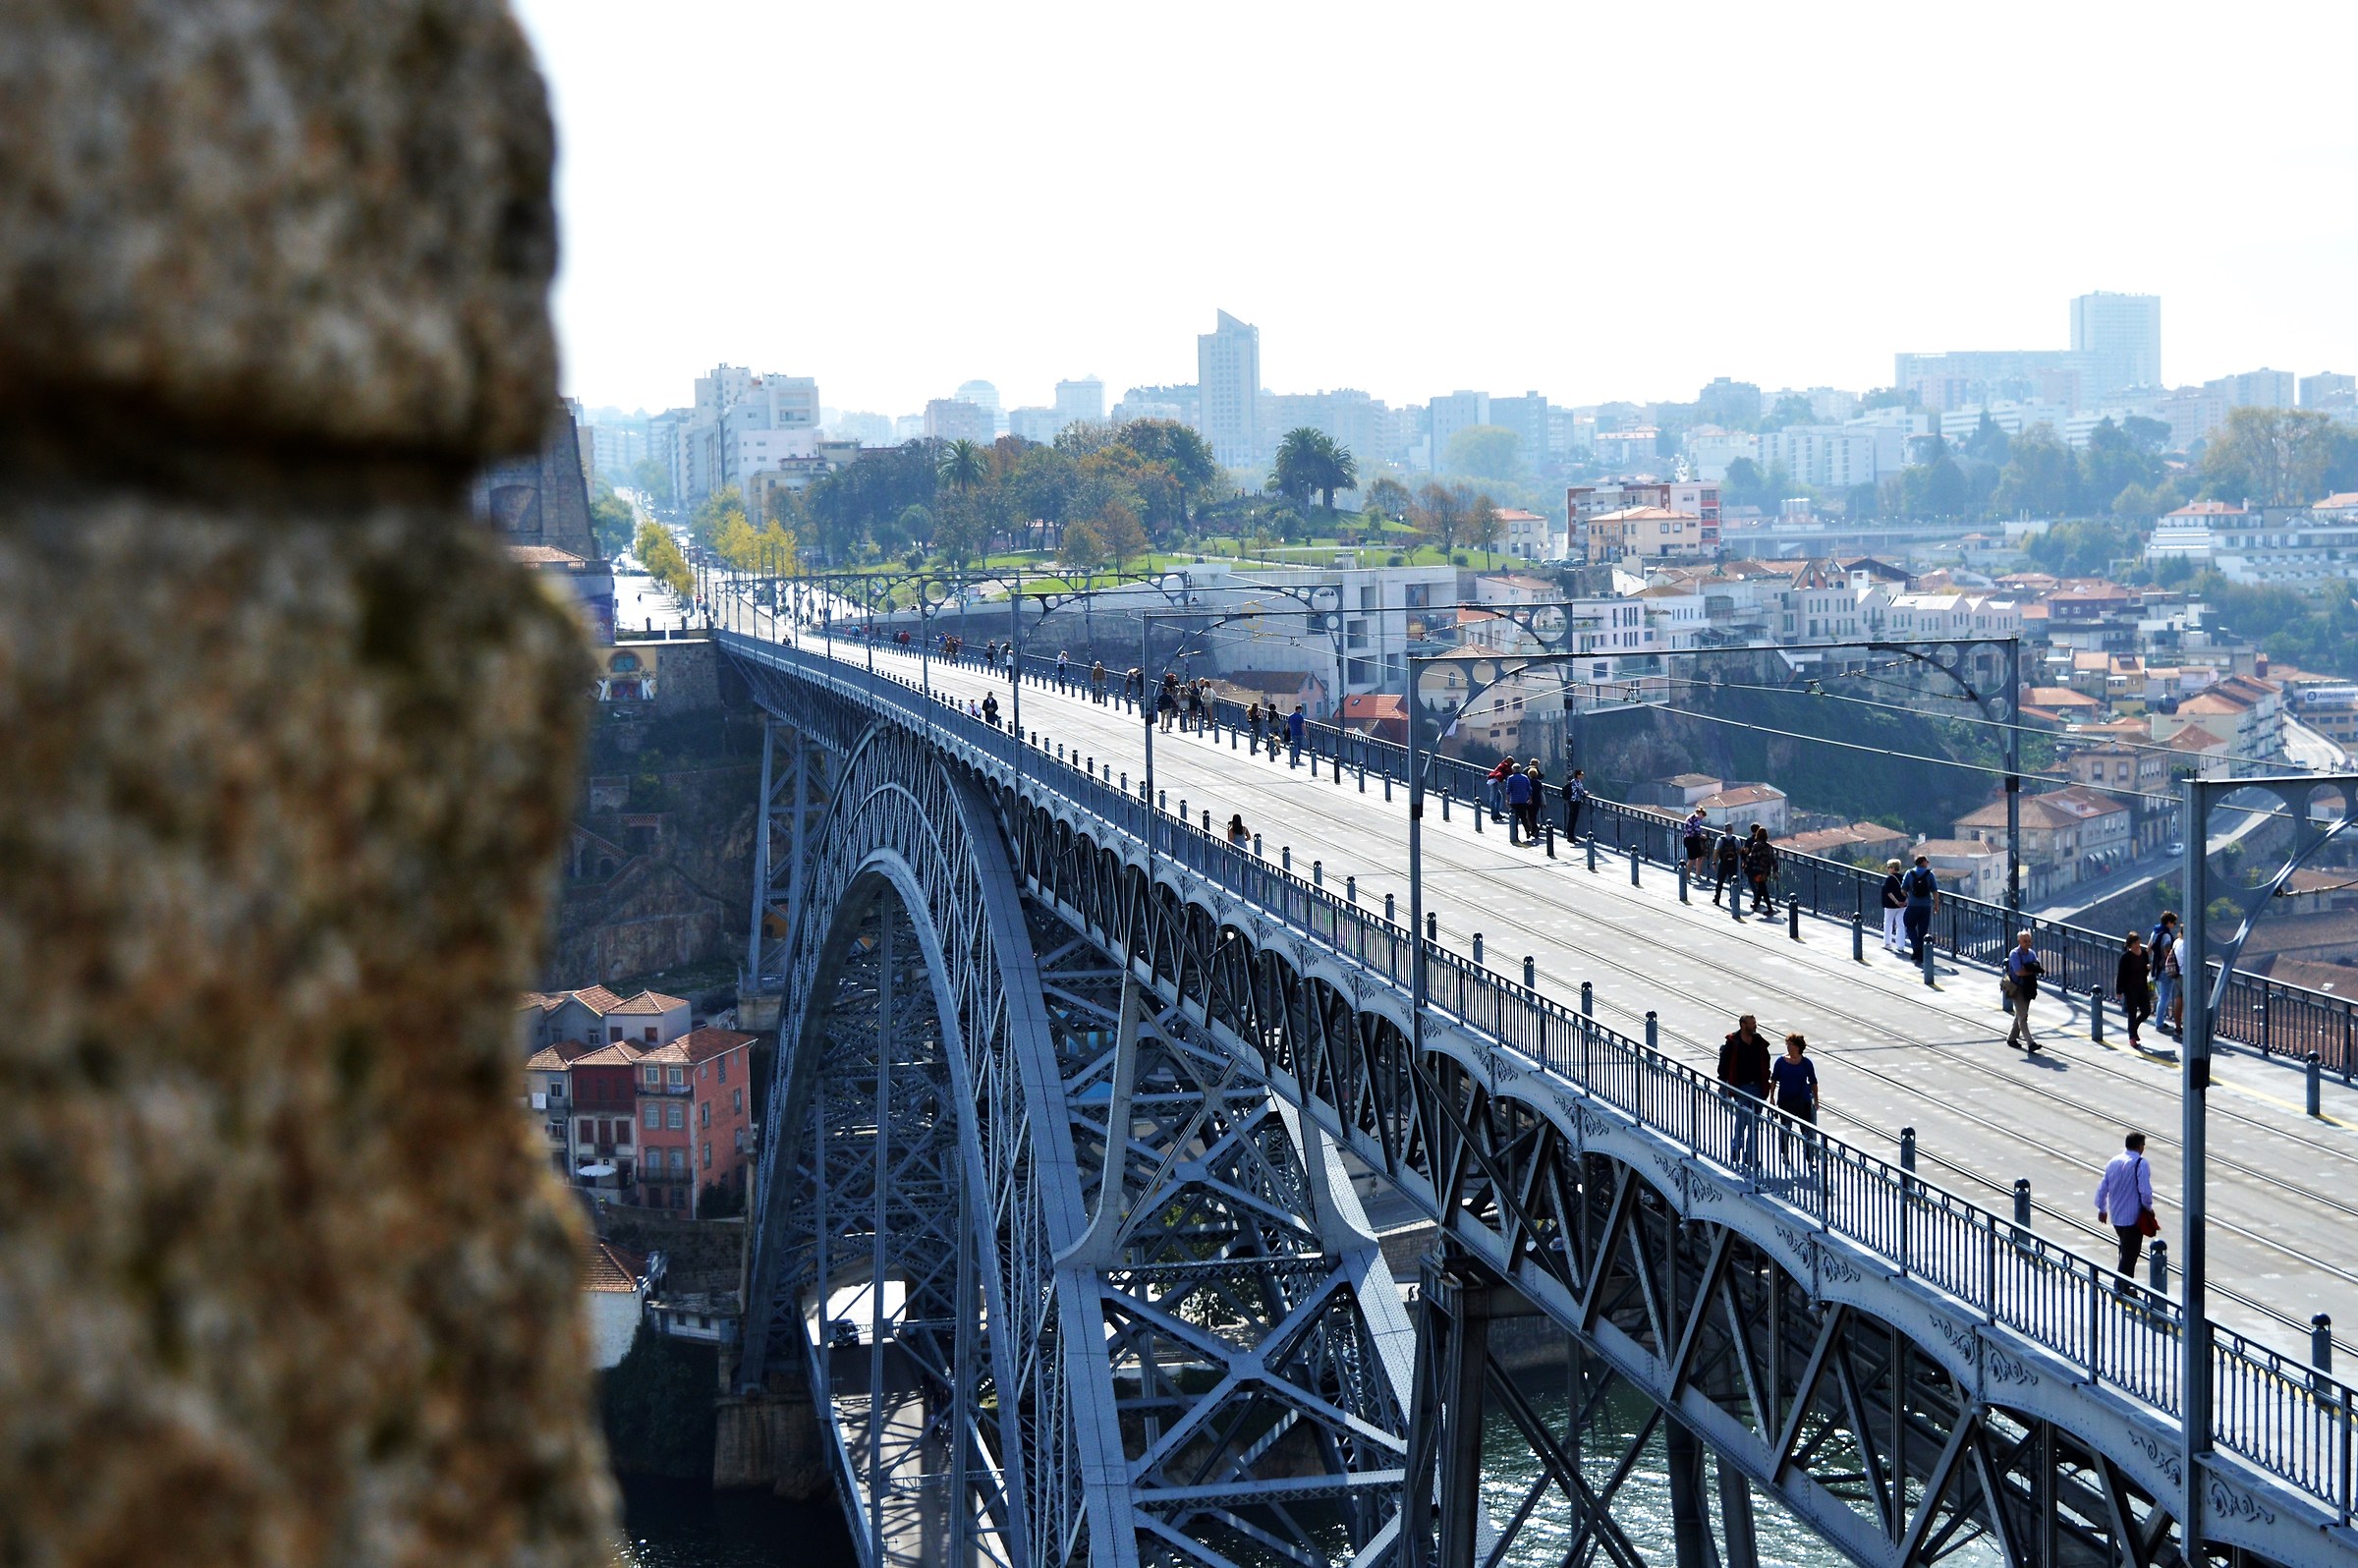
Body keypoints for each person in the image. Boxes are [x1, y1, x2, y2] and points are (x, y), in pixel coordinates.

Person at [2094, 1132, 2157, 1278]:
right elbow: (2145, 1192)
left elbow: (2102, 1188)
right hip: (2133, 1218)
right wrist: (2148, 1209)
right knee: (2130, 1256)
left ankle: (2124, 1288)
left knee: (2125, 1250)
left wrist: (2102, 1209)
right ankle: (2121, 1288)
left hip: (2116, 1217)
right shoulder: (2141, 1163)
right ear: (2140, 1146)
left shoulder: (2113, 1162)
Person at [1717, 1015, 1772, 1165]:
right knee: (1742, 1122)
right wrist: (1723, 1084)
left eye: (1755, 1023)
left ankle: (1751, 1157)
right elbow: (1724, 1066)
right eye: (1752, 1023)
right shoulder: (1733, 1042)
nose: (1755, 1025)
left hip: (1758, 1088)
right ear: (1743, 1024)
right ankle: (1736, 1150)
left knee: (1754, 1123)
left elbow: (1766, 1061)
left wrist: (1765, 1080)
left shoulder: (1758, 1042)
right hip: (1741, 1087)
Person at [1769, 1033, 1820, 1170]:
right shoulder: (1781, 1062)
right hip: (1785, 1101)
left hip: (1803, 1101)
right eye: (1787, 1044)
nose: (1788, 1047)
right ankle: (1785, 1155)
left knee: (1807, 1132)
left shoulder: (1806, 1063)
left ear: (1798, 1047)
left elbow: (1813, 1082)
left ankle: (1809, 1159)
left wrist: (1816, 1100)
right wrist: (1772, 1096)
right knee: (1785, 1129)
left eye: (1790, 1044)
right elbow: (1774, 1079)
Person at [2003, 930, 2045, 1051]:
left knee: (2020, 1014)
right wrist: (2031, 970)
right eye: (2025, 941)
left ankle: (2011, 1038)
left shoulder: (2031, 953)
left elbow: (2037, 966)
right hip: (2016, 988)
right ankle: (2030, 1043)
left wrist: (2030, 969)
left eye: (2029, 941)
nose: (2028, 943)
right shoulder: (2014, 954)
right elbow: (2019, 972)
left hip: (2027, 987)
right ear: (2019, 942)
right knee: (2023, 1016)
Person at [1900, 854, 1939, 962]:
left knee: (1909, 925)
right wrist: (1936, 905)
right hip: (1926, 906)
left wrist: (1909, 897)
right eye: (1927, 861)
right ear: (1922, 862)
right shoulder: (1929, 874)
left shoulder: (1909, 873)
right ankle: (1922, 954)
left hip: (1913, 905)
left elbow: (1903, 890)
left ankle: (1916, 948)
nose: (1928, 863)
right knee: (1923, 930)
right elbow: (1935, 892)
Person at [2116, 931, 2153, 1048]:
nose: (2138, 945)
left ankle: (2134, 1028)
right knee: (2132, 1013)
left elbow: (2146, 970)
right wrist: (2119, 991)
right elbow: (2120, 974)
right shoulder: (2125, 957)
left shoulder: (2144, 955)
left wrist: (2148, 968)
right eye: (2135, 943)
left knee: (2146, 1011)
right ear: (2130, 945)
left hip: (2142, 987)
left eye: (2138, 942)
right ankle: (2132, 1036)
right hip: (2130, 989)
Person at [2151, 912, 2181, 1037]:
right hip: (2165, 969)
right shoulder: (2167, 936)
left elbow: (2149, 948)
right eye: (2173, 923)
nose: (2174, 925)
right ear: (2169, 922)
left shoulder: (2155, 932)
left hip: (2156, 968)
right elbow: (2167, 952)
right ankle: (2159, 1023)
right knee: (2165, 996)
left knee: (2161, 996)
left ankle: (2159, 1021)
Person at [1743, 825, 1777, 916]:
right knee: (1761, 887)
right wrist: (1775, 871)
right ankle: (1756, 905)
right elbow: (1773, 859)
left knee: (1762, 889)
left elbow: (1751, 857)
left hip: (1757, 870)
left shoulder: (1756, 845)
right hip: (1766, 871)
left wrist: (1745, 865)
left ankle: (1769, 908)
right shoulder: (1769, 846)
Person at [1878, 859, 1908, 954]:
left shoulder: (1890, 879)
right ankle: (1901, 946)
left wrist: (1896, 901)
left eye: (1888, 867)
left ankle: (1887, 943)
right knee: (1901, 924)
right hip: (1903, 905)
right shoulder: (1903, 878)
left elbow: (1888, 892)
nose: (1887, 869)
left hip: (1891, 905)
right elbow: (1908, 891)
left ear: (1893, 868)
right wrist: (1905, 901)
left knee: (1888, 922)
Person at [1505, 762, 1536, 844]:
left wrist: (1507, 800)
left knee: (1514, 819)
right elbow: (1529, 789)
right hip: (1523, 800)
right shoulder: (1525, 778)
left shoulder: (1510, 778)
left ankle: (1515, 836)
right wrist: (1530, 799)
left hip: (1514, 801)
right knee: (1524, 817)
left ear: (1513, 769)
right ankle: (1527, 830)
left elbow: (1508, 791)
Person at [1712, 828, 1742, 906]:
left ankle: (1717, 898)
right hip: (1733, 864)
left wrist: (1714, 862)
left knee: (1720, 881)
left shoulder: (1720, 840)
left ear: (1724, 830)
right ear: (1732, 830)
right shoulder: (1736, 840)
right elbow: (1739, 852)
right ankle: (1732, 899)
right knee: (1732, 881)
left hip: (1723, 863)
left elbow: (1716, 852)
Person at [1561, 768, 1589, 842]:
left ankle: (1570, 834)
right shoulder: (1576, 782)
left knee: (1572, 818)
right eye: (1582, 774)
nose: (1583, 776)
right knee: (1573, 819)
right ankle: (1571, 836)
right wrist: (1586, 793)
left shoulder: (1574, 782)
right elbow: (1581, 791)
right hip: (1575, 802)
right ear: (1578, 775)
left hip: (1572, 802)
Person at [1683, 809, 1710, 879]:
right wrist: (1702, 836)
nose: (1702, 818)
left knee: (1699, 856)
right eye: (1703, 815)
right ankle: (1687, 875)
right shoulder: (1695, 819)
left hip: (1690, 839)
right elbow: (1696, 831)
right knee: (1692, 858)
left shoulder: (1691, 817)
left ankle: (1696, 874)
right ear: (1700, 813)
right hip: (1691, 840)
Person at [1486, 756, 1513, 822]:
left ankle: (1497, 813)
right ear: (1509, 761)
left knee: (1499, 797)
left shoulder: (1503, 764)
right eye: (1512, 762)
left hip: (1493, 779)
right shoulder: (1505, 765)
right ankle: (1493, 814)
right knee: (1493, 798)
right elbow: (1508, 772)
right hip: (1494, 781)